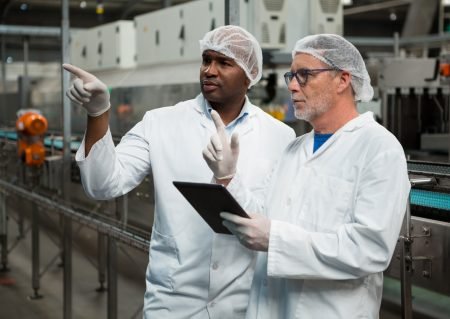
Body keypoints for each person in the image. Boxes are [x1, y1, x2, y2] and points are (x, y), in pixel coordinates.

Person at [63, 25, 295, 319]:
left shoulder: (280, 137)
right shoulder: (160, 123)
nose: (209, 70)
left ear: (250, 75)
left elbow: (277, 221)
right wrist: (98, 113)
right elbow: (102, 185)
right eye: (206, 60)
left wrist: (229, 181)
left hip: (245, 304)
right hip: (173, 303)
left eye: (224, 63)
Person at [203, 34, 411, 318]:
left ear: (343, 80)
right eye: (292, 75)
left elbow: (369, 248)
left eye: (305, 75)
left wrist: (276, 239)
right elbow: (263, 216)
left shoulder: (379, 149)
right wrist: (228, 178)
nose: (291, 85)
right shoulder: (294, 149)